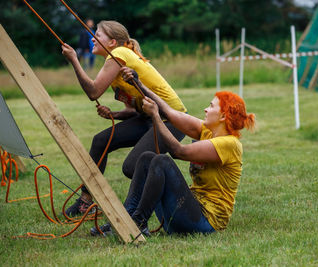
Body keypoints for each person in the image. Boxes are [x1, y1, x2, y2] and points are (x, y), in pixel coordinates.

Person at [91, 68, 256, 236]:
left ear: (222, 117)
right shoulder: (207, 131)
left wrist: (155, 116)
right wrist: (139, 85)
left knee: (162, 161)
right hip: (186, 213)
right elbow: (169, 112)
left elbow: (179, 152)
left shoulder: (229, 144)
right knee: (147, 157)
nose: (206, 109)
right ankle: (124, 219)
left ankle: (138, 223)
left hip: (205, 222)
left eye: (211, 106)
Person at [61, 21, 187, 217]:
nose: (93, 38)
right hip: (148, 117)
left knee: (131, 167)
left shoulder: (119, 55)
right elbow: (133, 109)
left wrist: (74, 60)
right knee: (101, 141)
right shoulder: (115, 61)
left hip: (172, 121)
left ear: (112, 42)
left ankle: (146, 210)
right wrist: (114, 115)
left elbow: (93, 92)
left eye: (98, 35)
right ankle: (85, 202)